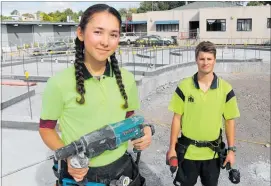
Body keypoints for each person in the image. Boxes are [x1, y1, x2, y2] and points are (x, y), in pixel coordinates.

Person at [39, 4, 153, 186]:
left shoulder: (127, 79)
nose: (106, 42)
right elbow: (46, 128)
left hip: (123, 169)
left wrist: (144, 130)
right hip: (82, 175)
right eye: (98, 32)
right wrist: (69, 156)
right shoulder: (59, 83)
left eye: (113, 34)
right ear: (81, 33)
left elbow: (129, 116)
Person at [167, 41, 240, 186]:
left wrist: (231, 150)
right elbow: (176, 119)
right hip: (188, 154)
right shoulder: (184, 87)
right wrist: (171, 149)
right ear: (196, 60)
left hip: (212, 155)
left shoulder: (226, 89)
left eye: (209, 59)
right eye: (202, 59)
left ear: (215, 60)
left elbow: (229, 121)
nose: (205, 62)